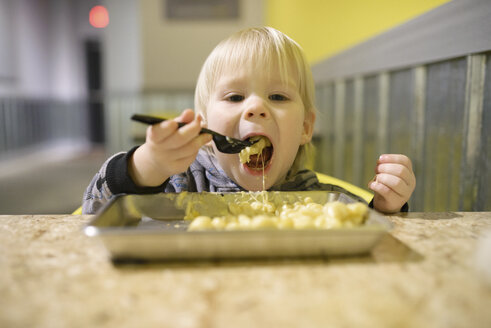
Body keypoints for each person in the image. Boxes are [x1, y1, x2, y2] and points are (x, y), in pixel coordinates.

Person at [82, 27, 416, 214]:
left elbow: (368, 234)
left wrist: (387, 207)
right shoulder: (178, 184)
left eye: (278, 97)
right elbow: (94, 210)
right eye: (235, 97)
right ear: (206, 126)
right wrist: (146, 167)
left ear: (305, 128)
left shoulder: (317, 199)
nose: (255, 108)